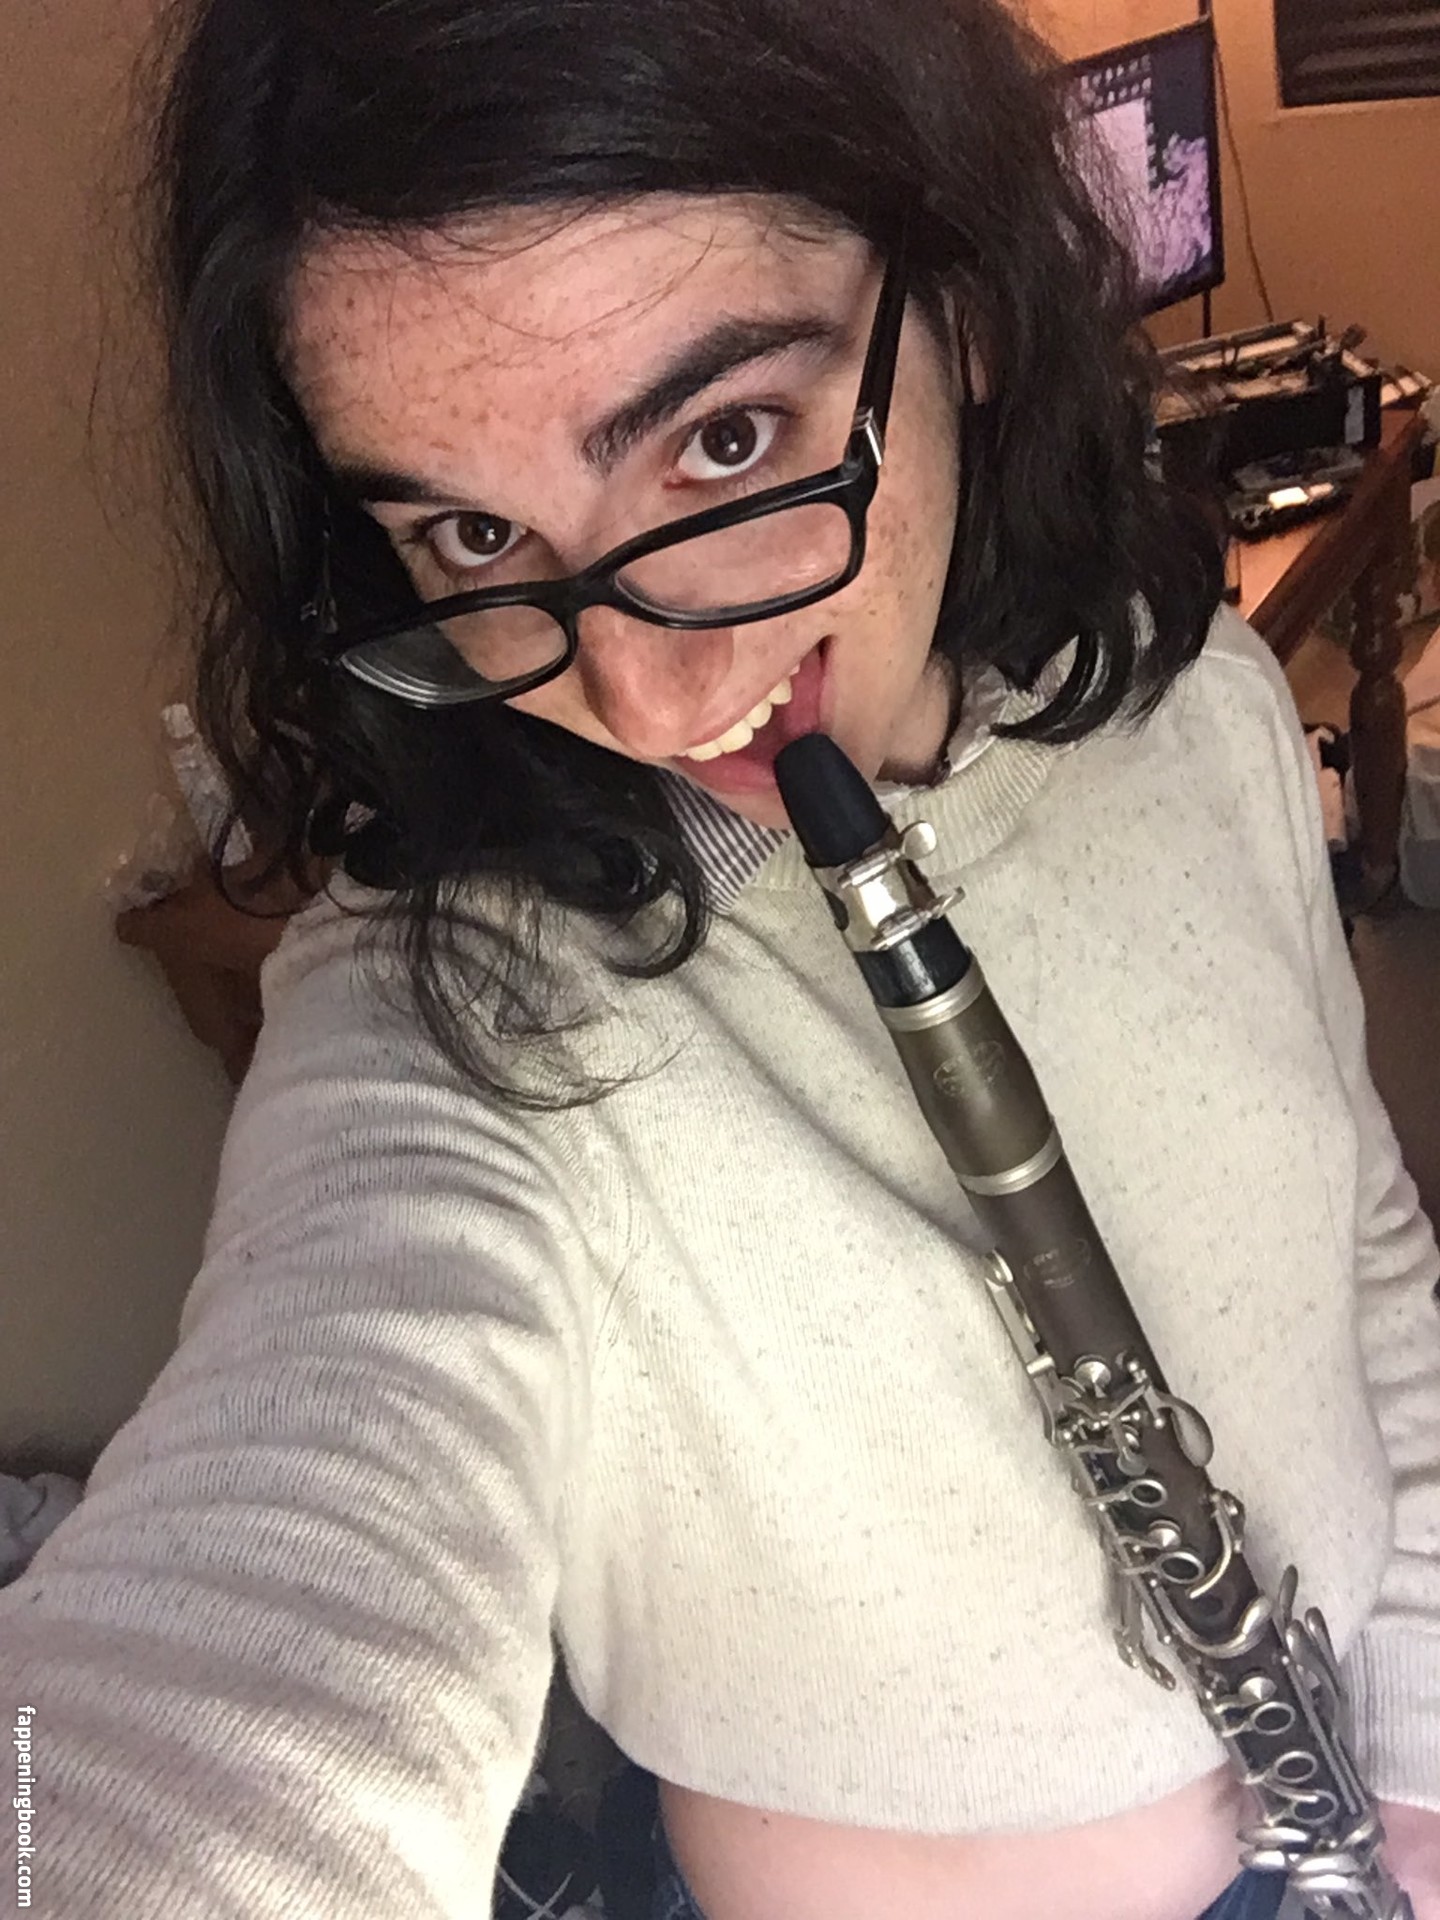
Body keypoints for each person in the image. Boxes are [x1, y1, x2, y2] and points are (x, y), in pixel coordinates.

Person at [4, 1, 1439, 1916]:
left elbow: (1365, 1254)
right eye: (473, 534)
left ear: (964, 302)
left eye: (726, 439)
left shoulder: (1209, 711)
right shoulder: (461, 1005)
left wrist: (1419, 1746)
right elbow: (271, 1587)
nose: (651, 694)